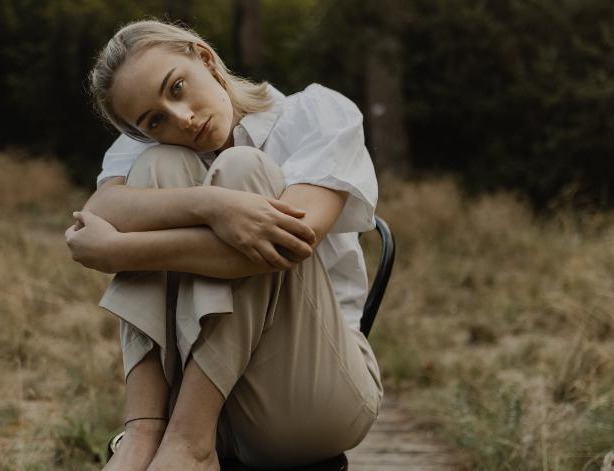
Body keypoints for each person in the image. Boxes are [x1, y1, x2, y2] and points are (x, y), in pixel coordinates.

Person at [64, 19, 383, 471]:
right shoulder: (148, 146)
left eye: (177, 88)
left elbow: (286, 243)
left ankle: (190, 444)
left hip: (304, 393)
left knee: (244, 170)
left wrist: (120, 251)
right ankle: (145, 427)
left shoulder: (314, 113)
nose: (182, 119)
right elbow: (102, 208)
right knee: (161, 165)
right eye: (154, 120)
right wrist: (210, 204)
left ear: (206, 59)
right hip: (193, 396)